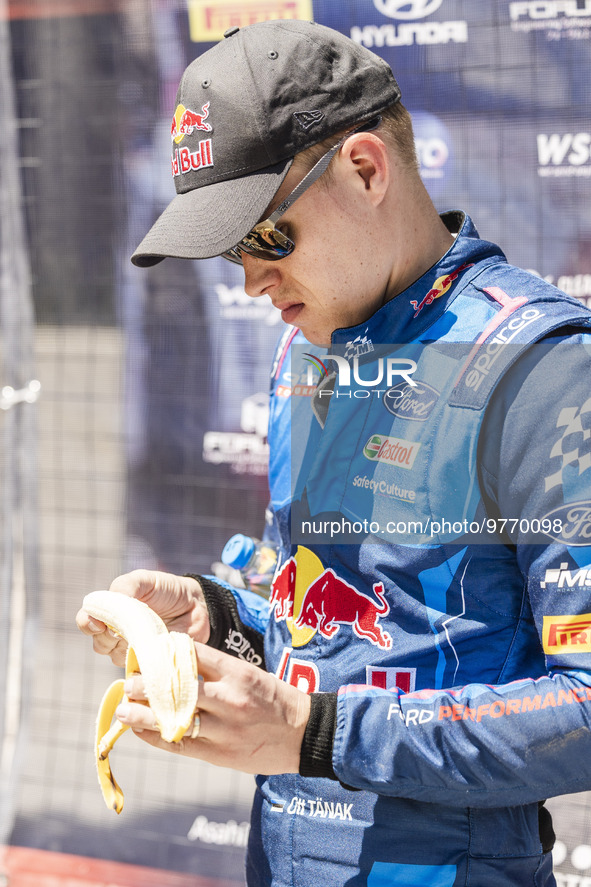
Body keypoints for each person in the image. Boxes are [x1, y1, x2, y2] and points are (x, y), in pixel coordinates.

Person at [77, 19, 591, 887]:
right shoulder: (306, 353)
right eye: (231, 252)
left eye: (267, 235)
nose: (250, 281)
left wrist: (313, 730)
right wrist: (221, 618)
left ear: (364, 169)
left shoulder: (539, 368)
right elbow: (338, 624)